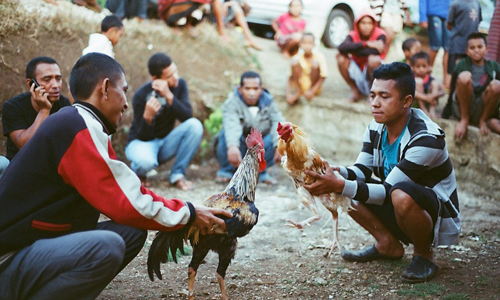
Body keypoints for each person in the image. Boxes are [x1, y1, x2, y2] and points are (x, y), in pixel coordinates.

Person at [0, 53, 232, 300]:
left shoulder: (83, 123)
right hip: (10, 256)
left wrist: (186, 211)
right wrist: (189, 213)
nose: (126, 103)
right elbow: (127, 201)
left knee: (131, 232)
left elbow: (128, 188)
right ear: (106, 88)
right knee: (105, 248)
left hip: (39, 246)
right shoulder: (76, 127)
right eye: (124, 90)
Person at [304, 62, 461, 284]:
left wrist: (338, 184)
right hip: (398, 202)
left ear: (407, 101)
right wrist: (337, 173)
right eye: (372, 95)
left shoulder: (427, 138)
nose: (375, 103)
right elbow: (362, 171)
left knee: (398, 194)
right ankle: (387, 244)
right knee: (346, 183)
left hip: (434, 213)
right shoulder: (377, 125)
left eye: (384, 96)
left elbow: (388, 191)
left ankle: (424, 255)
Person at [125, 52, 203, 190]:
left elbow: (187, 116)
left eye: (175, 71)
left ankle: (177, 175)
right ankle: (138, 173)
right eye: (169, 76)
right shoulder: (141, 95)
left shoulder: (180, 85)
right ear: (156, 79)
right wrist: (148, 118)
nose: (176, 78)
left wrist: (169, 96)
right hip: (141, 143)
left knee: (195, 126)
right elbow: (143, 136)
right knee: (145, 162)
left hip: (165, 143)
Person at [216, 71, 285, 184]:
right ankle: (227, 170)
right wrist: (233, 145)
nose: (252, 93)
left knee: (278, 139)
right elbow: (231, 124)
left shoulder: (269, 103)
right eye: (247, 88)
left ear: (261, 89)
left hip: (258, 150)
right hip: (238, 149)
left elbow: (278, 123)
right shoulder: (232, 103)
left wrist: (280, 144)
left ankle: (260, 172)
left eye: (255, 88)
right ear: (240, 89)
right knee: (225, 133)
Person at [2, 56, 72, 161]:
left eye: (58, 79)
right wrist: (44, 110)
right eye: (47, 79)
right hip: (19, 168)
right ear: (30, 83)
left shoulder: (65, 105)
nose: (55, 85)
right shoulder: (13, 107)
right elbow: (25, 146)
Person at [443, 32, 500, 139]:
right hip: (464, 104)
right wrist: (446, 113)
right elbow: (452, 90)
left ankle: (482, 120)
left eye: (480, 47)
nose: (476, 50)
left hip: (483, 106)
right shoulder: (462, 64)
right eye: (472, 48)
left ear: (486, 49)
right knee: (465, 76)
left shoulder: (494, 67)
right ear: (467, 51)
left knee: (497, 84)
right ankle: (465, 119)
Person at [337, 9, 387, 103]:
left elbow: (376, 51)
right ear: (357, 24)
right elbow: (341, 48)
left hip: (375, 75)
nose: (366, 26)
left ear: (374, 24)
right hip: (358, 70)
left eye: (369, 23)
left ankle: (373, 93)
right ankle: (355, 91)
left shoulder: (380, 34)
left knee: (373, 59)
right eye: (363, 23)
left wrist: (354, 50)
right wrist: (365, 44)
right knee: (340, 57)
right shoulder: (353, 34)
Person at [286, 32, 328, 105]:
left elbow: (323, 76)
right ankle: (298, 91)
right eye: (304, 43)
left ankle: (310, 91)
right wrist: (288, 94)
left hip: (313, 87)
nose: (307, 46)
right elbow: (290, 77)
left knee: (315, 64)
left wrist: (312, 91)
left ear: (314, 44)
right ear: (300, 44)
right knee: (294, 62)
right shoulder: (297, 57)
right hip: (300, 85)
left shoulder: (319, 56)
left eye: (310, 43)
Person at [419, 0, 451, 89]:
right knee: (435, 47)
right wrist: (422, 17)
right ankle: (425, 76)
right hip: (434, 14)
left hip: (449, 15)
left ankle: (446, 80)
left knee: (448, 48)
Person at [447, 0, 482, 76]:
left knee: (470, 71)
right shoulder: (456, 4)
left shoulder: (477, 4)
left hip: (471, 45)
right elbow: (449, 24)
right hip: (457, 44)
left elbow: (478, 21)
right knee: (454, 71)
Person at [411, 51, 444, 119]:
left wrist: (433, 95)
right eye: (418, 66)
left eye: (424, 66)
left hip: (429, 102)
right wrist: (425, 97)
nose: (421, 69)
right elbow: (411, 92)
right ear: (412, 67)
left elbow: (442, 92)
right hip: (417, 104)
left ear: (429, 67)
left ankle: (432, 110)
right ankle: (423, 110)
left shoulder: (430, 79)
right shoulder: (412, 78)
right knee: (418, 82)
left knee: (434, 84)